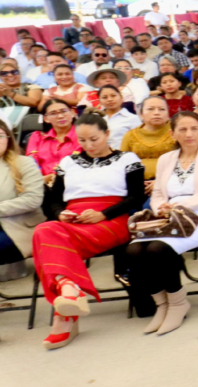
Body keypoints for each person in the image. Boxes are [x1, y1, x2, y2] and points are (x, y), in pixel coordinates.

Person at [32, 112, 145, 349]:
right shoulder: (68, 162)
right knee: (44, 229)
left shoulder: (127, 159)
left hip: (112, 219)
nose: (88, 145)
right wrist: (60, 214)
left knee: (49, 239)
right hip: (73, 219)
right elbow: (53, 201)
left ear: (106, 133)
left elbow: (136, 197)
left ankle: (64, 317)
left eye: (94, 139)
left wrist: (104, 214)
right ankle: (69, 290)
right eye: (82, 141)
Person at [124, 111, 198, 335]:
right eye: (182, 129)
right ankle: (162, 305)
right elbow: (158, 194)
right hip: (169, 216)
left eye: (194, 128)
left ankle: (178, 303)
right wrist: (160, 207)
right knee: (134, 249)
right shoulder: (166, 159)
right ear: (173, 133)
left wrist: (183, 206)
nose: (189, 133)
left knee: (157, 249)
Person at [0, 120, 46, 279]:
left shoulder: (24, 163)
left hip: (20, 227)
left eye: (0, 136)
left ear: (8, 138)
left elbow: (32, 199)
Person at [120, 96, 176, 199]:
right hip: (135, 185)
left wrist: (160, 182)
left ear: (168, 114)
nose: (156, 113)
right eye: (150, 109)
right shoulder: (130, 135)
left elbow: (185, 161)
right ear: (141, 115)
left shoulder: (176, 133)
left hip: (171, 182)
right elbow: (122, 164)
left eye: (162, 109)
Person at [27, 98, 81, 188]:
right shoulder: (37, 137)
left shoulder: (82, 136)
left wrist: (53, 177)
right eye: (53, 113)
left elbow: (78, 163)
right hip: (40, 185)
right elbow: (32, 163)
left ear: (72, 113)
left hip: (73, 183)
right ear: (46, 118)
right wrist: (42, 180)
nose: (60, 116)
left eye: (64, 111)